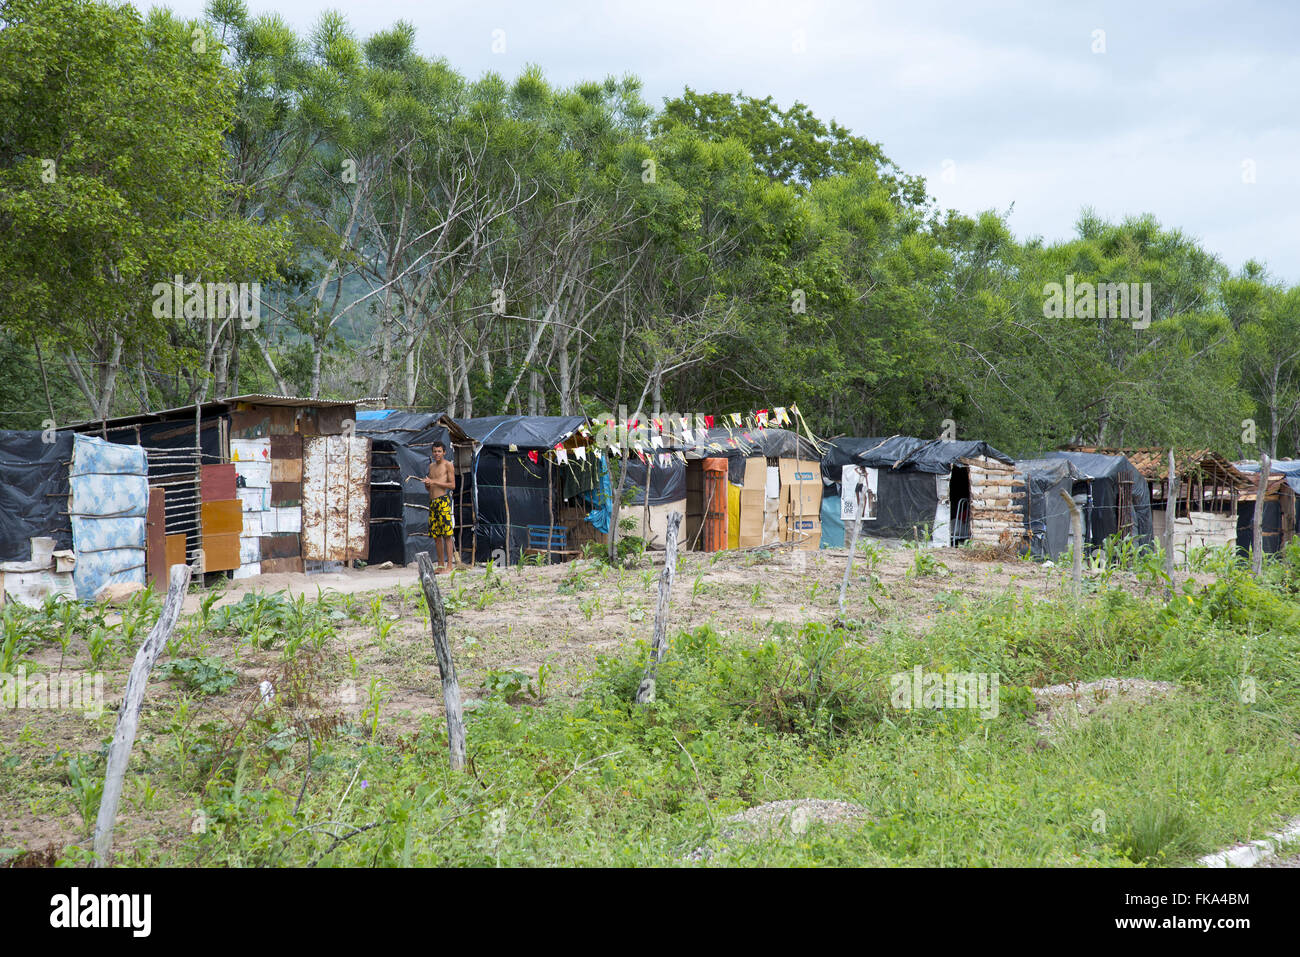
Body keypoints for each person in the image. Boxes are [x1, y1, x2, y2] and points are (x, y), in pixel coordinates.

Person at [419, 441, 457, 573]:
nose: (437, 454)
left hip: (443, 501)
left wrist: (434, 481)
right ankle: (440, 565)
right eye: (435, 451)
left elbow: (452, 485)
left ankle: (450, 566)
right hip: (433, 502)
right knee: (436, 536)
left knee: (447, 534)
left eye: (439, 451)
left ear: (444, 452)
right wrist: (427, 484)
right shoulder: (431, 466)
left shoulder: (448, 465)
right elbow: (430, 486)